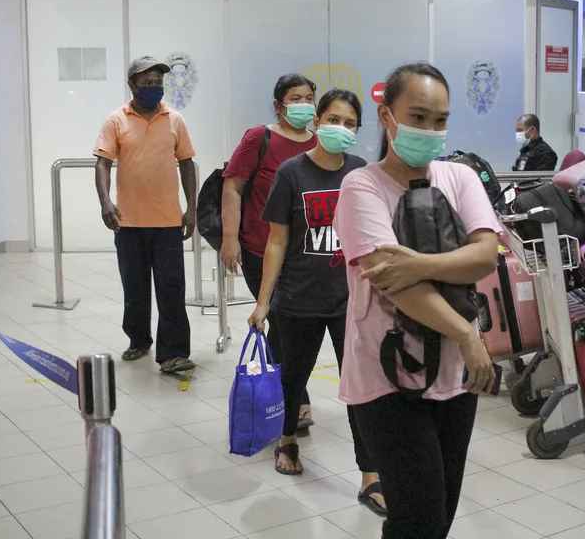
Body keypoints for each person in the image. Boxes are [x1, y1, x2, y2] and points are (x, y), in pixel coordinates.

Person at [333, 62, 501, 539]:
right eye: (419, 116)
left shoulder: (460, 178)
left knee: (440, 514)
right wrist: (467, 332)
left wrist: (422, 263)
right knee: (417, 518)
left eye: (440, 119)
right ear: (387, 118)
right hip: (386, 377)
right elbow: (395, 284)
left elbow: (486, 255)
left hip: (455, 375)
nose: (430, 130)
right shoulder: (362, 186)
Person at [246, 89, 386, 516]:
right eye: (333, 119)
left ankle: (370, 474)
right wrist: (263, 302)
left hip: (350, 301)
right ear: (317, 122)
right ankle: (287, 439)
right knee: (294, 378)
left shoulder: (361, 172)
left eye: (349, 122)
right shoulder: (291, 172)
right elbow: (277, 240)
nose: (340, 128)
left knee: (362, 388)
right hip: (298, 299)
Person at [220, 74, 317, 429]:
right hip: (262, 248)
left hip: (304, 255)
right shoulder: (258, 138)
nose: (304, 104)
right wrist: (229, 238)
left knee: (291, 326)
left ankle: (287, 399)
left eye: (309, 97)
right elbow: (233, 186)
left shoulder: (320, 142)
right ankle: (294, 402)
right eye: (296, 98)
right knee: (282, 325)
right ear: (278, 105)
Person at [93, 56, 197, 373]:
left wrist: (191, 208)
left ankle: (173, 352)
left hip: (168, 222)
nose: (153, 87)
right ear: (132, 85)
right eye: (146, 82)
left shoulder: (175, 120)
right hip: (129, 223)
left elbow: (187, 163)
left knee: (171, 289)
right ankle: (138, 341)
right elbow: (102, 163)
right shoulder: (116, 120)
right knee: (135, 288)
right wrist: (105, 202)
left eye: (157, 82)